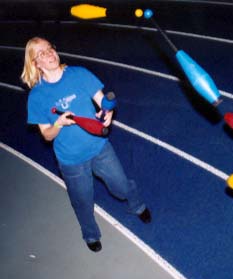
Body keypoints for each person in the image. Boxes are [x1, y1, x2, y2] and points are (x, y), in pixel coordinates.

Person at [21, 37, 151, 253]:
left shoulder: (79, 74)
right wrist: (59, 124)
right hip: (71, 160)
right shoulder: (37, 96)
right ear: (35, 63)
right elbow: (47, 135)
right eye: (42, 53)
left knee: (120, 186)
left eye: (50, 48)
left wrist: (107, 113)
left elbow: (103, 102)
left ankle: (137, 205)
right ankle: (90, 234)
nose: (50, 53)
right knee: (82, 201)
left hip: (99, 148)